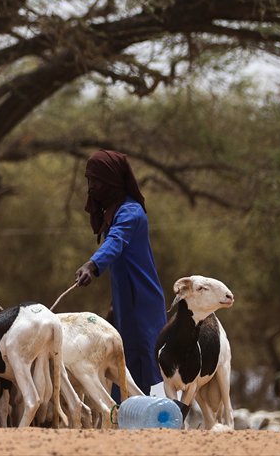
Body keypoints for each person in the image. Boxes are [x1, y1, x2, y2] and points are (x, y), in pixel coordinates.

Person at [73, 149, 166, 396]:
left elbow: (115, 242)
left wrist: (92, 265)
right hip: (125, 302)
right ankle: (123, 418)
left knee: (148, 360)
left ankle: (162, 416)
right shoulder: (114, 214)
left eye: (97, 181)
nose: (91, 187)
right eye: (88, 180)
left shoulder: (130, 213)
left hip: (143, 302)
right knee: (121, 361)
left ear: (112, 180)